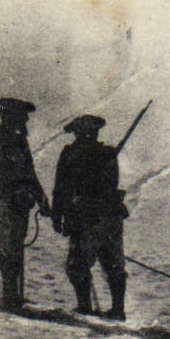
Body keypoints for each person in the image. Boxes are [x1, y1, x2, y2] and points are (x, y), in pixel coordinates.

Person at [52, 115, 128, 319]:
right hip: (110, 217)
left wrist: (58, 215)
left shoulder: (72, 154)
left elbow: (61, 188)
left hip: (88, 218)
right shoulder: (107, 154)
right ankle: (117, 310)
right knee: (113, 264)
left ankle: (87, 307)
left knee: (78, 264)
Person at [0, 97, 49, 310]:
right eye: (22, 117)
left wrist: (41, 199)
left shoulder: (21, 142)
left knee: (13, 251)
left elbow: (30, 173)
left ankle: (11, 298)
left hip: (19, 206)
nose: (25, 121)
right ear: (9, 117)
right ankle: (4, 300)